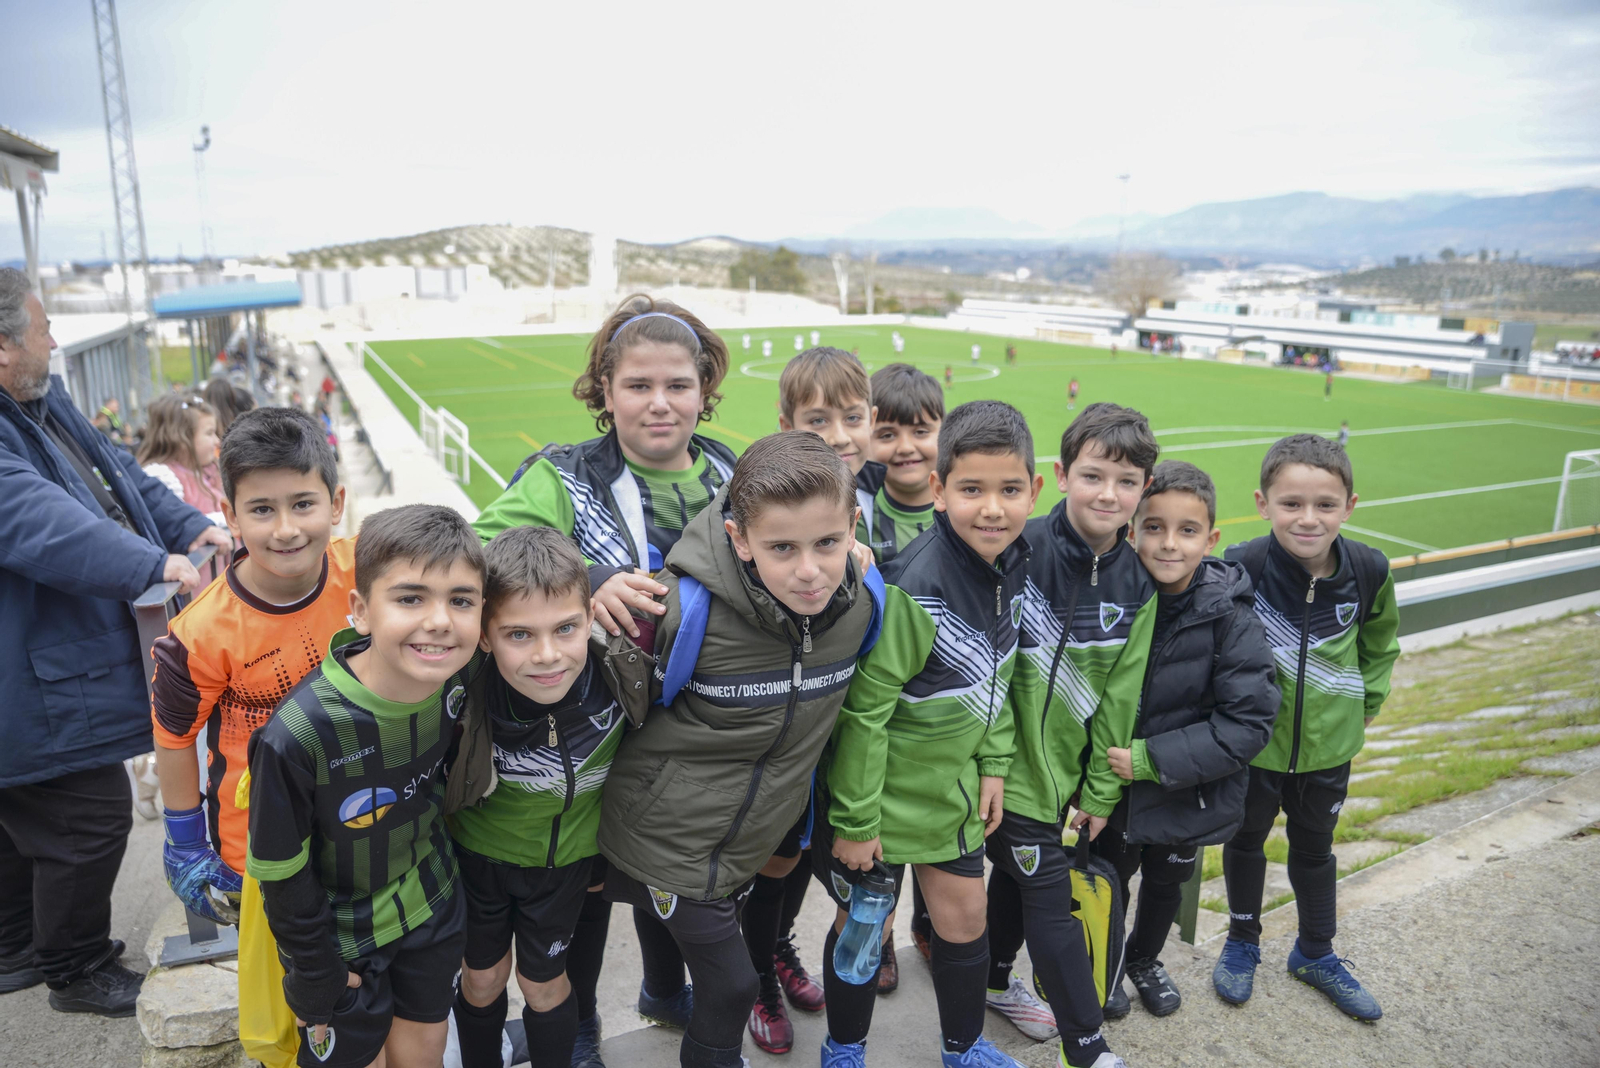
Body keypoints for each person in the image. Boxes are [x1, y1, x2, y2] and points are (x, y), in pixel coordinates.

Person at [472, 294, 729, 1063]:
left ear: (704, 388)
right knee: (585, 888)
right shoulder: (562, 476)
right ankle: (578, 1025)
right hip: (591, 726)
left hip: (697, 725)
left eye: (678, 385)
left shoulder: (730, 469)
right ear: (604, 391)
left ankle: (660, 988)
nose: (660, 402)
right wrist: (590, 578)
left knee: (669, 869)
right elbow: (480, 550)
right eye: (638, 385)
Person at [596, 432, 879, 1068]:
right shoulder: (678, 606)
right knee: (731, 987)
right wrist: (592, 581)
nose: (808, 570)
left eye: (827, 543)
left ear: (853, 526)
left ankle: (661, 993)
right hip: (666, 839)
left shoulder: (863, 605)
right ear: (738, 538)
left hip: (749, 837)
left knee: (697, 959)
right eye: (782, 548)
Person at [0, 267, 228, 1016]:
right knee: (82, 815)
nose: (55, 340)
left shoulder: (39, 402)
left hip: (34, 669)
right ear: (3, 349)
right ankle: (74, 966)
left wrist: (186, 527)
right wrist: (149, 563)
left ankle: (16, 950)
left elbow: (119, 476)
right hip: (24, 678)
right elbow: (36, 519)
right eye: (41, 328)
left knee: (24, 812)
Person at [817, 401, 1039, 1068]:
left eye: (1009, 490)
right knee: (863, 930)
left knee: (965, 921)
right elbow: (865, 712)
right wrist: (855, 821)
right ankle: (845, 1048)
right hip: (880, 807)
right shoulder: (916, 586)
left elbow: (997, 674)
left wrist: (995, 763)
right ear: (939, 492)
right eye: (971, 490)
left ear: (1036, 488)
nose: (992, 509)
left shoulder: (1013, 565)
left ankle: (963, 1047)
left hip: (954, 798)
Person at [247, 505, 485, 1068]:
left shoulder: (460, 673)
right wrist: (312, 969)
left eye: (461, 600)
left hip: (431, 906)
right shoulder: (296, 735)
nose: (439, 621)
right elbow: (281, 872)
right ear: (360, 611)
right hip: (342, 940)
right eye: (410, 598)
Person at [149, 407, 350, 1064]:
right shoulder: (198, 634)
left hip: (370, 824)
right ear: (229, 518)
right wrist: (186, 843)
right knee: (287, 1016)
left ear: (336, 502)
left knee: (371, 987)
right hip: (264, 854)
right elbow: (175, 739)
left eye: (303, 504)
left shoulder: (372, 574)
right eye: (261, 510)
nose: (286, 528)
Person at [980, 402, 1157, 1066]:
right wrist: (991, 760)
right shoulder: (1015, 550)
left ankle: (996, 982)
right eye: (1093, 476)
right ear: (1060, 475)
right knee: (1050, 904)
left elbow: (1119, 702)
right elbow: (986, 666)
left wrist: (1100, 793)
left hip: (1066, 788)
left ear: (1143, 489)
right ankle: (1087, 1047)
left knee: (1017, 885)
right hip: (1000, 774)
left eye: (1127, 480)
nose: (1109, 494)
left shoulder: (1138, 585)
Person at [445, 526, 649, 1068]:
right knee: (483, 980)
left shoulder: (618, 669)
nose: (546, 655)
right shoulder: (461, 685)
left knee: (543, 983)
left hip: (565, 868)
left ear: (591, 616)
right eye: (518, 635)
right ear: (484, 635)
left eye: (565, 628)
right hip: (477, 862)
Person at [1213, 434, 1400, 1023]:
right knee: (1245, 841)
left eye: (1325, 504)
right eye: (1291, 503)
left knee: (1315, 849)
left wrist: (1363, 705)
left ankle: (1315, 951)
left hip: (1328, 748)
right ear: (1263, 503)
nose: (1308, 518)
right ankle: (1242, 941)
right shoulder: (1241, 566)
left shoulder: (1369, 569)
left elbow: (1380, 643)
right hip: (1253, 748)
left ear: (1350, 505)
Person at [1093, 461, 1278, 1017]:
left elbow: (1248, 722)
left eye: (1187, 531)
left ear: (1211, 538)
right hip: (1115, 790)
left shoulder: (1233, 619)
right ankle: (1101, 967)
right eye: (1154, 527)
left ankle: (1144, 959)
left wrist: (1151, 760)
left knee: (1167, 883)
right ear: (1132, 531)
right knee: (1109, 881)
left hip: (1186, 788)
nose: (1169, 544)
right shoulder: (1114, 598)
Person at [864, 363, 943, 565]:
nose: (905, 447)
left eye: (920, 432)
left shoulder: (964, 510)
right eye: (887, 435)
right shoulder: (859, 514)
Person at [139, 393, 228, 526]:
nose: (217, 441)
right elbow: (179, 525)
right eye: (209, 433)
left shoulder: (207, 470)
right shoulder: (162, 477)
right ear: (181, 439)